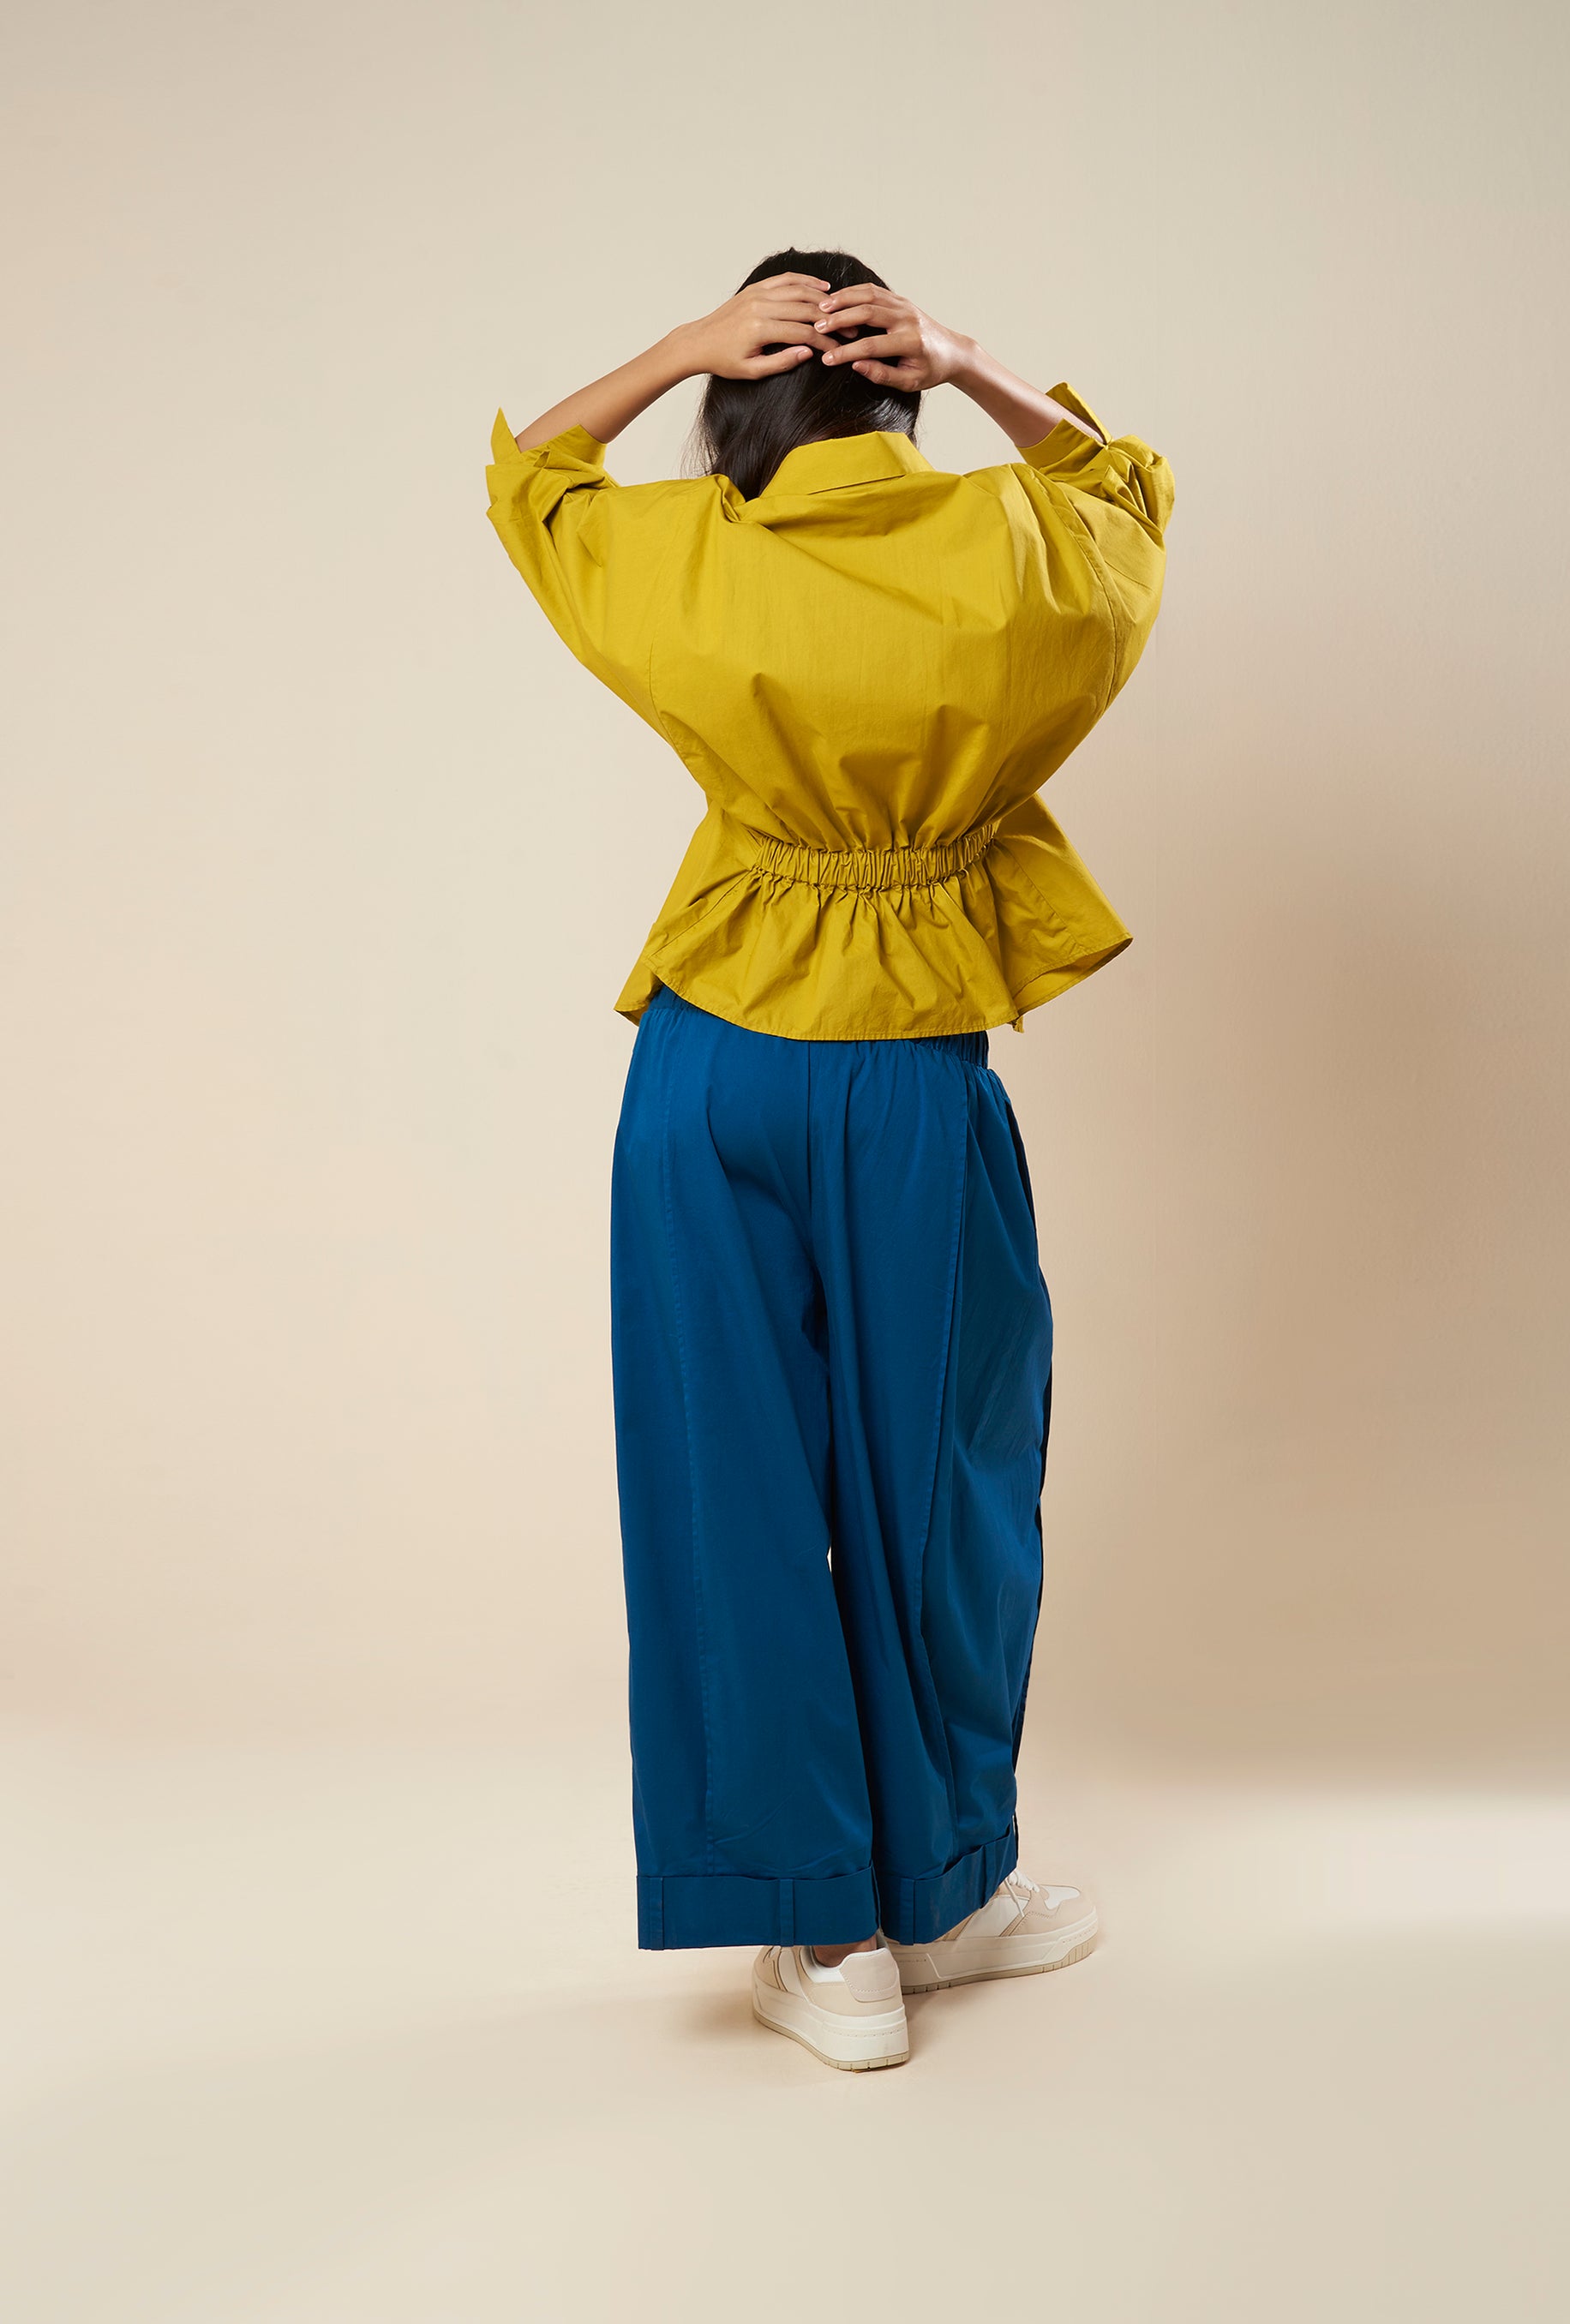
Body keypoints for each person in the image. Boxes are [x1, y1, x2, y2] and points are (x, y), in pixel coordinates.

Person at [485, 248, 1172, 2072]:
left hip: (711, 1065)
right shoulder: (1017, 556)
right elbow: (1126, 490)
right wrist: (976, 360)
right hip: (906, 1076)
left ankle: (832, 1932)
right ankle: (942, 1885)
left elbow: (528, 478)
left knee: (733, 1485)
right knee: (942, 1484)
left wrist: (672, 350)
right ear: (898, 388)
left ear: (744, 400)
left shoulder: (689, 557)